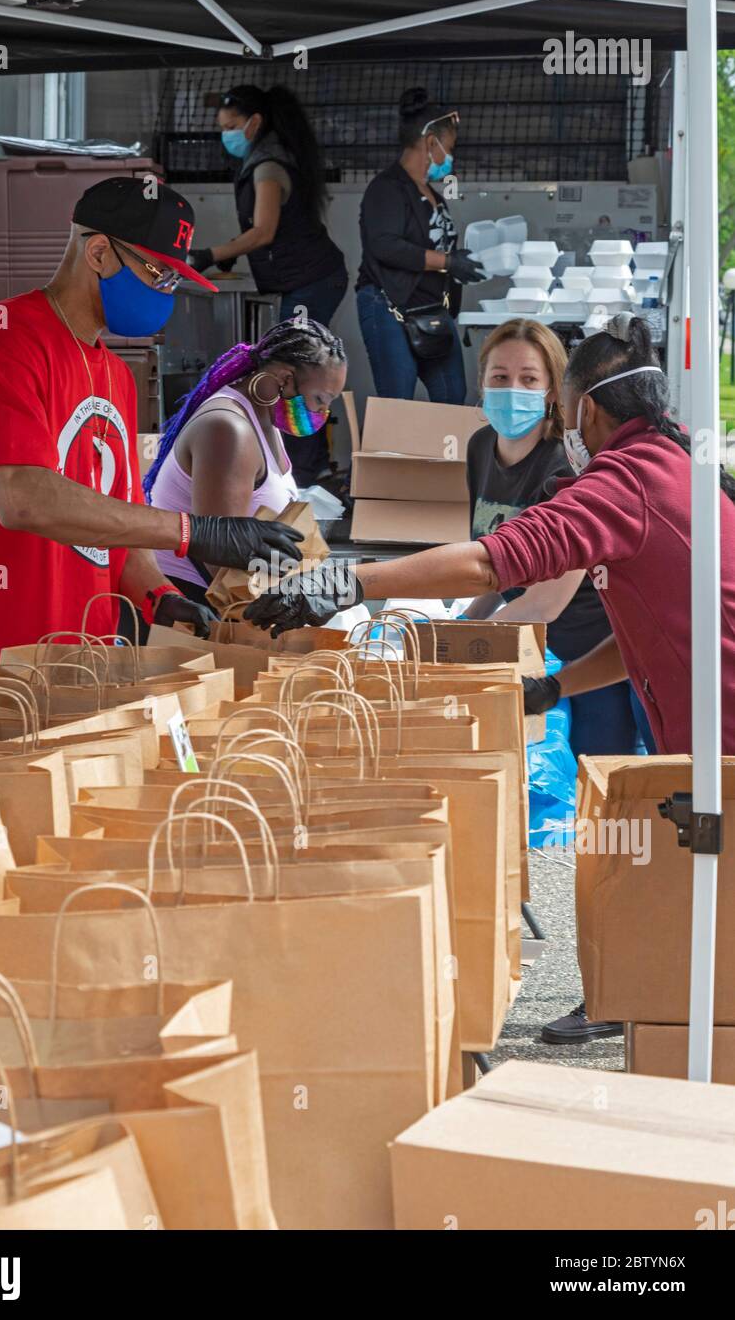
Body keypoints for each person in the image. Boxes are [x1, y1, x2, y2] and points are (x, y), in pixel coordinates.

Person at [245, 314, 735, 1044]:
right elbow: (651, 629)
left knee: (679, 872)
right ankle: (648, 997)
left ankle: (660, 1008)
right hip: (705, 724)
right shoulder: (671, 469)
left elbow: (489, 560)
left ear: (587, 411)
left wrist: (345, 583)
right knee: (680, 876)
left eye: (564, 410)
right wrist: (557, 688)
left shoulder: (624, 481)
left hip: (719, 737)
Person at [0, 177, 305, 706]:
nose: (166, 295)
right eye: (159, 275)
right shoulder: (3, 341)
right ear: (98, 252)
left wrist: (156, 593)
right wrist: (194, 531)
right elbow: (24, 498)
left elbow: (115, 518)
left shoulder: (114, 374)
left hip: (74, 668)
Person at [460, 318, 643, 759]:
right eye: (500, 378)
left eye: (528, 379)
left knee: (596, 789)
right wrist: (462, 625)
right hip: (529, 648)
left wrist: (461, 650)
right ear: (482, 384)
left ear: (552, 391)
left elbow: (546, 602)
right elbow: (493, 564)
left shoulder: (568, 467)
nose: (511, 389)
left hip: (589, 658)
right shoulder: (480, 447)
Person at [188, 84, 348, 487]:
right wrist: (226, 253)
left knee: (301, 373)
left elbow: (263, 232)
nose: (226, 135)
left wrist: (210, 253)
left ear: (254, 123)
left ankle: (308, 472)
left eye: (231, 126)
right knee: (298, 373)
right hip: (308, 278)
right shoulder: (268, 159)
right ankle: (309, 468)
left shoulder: (268, 167)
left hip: (311, 280)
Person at [144, 319, 347, 601]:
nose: (323, 412)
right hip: (198, 606)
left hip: (239, 595)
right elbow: (221, 558)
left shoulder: (266, 419)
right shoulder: (229, 430)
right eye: (320, 399)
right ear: (286, 380)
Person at [355, 86, 485, 406]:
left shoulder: (433, 194)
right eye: (449, 148)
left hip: (430, 310)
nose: (450, 158)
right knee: (398, 400)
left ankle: (440, 456)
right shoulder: (386, 189)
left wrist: (458, 261)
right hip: (389, 305)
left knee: (452, 393)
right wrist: (448, 261)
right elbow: (385, 246)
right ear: (431, 142)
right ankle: (395, 457)